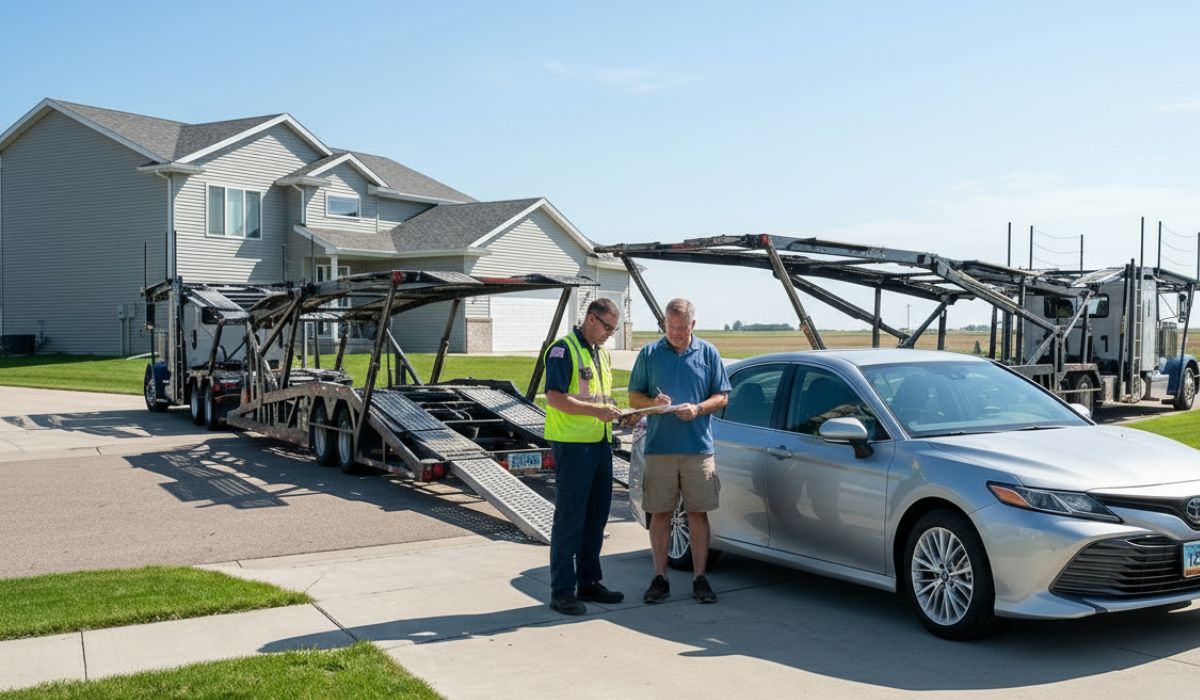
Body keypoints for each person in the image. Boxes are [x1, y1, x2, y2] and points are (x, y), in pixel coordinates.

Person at [627, 298, 731, 604]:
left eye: (681, 327)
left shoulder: (709, 353)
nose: (674, 332)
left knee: (697, 515)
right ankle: (660, 578)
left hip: (698, 449)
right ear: (664, 323)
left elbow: (722, 396)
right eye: (670, 326)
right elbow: (634, 396)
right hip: (659, 449)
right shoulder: (649, 353)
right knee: (659, 514)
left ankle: (700, 579)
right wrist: (652, 404)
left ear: (693, 325)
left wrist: (698, 409)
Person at [543, 297, 625, 615]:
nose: (610, 334)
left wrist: (618, 413)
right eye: (608, 327)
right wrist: (597, 411)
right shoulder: (563, 350)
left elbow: (601, 398)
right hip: (573, 446)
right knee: (569, 521)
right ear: (591, 319)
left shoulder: (600, 354)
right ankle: (562, 591)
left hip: (600, 444)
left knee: (595, 519)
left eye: (614, 329)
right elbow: (554, 398)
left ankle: (589, 583)